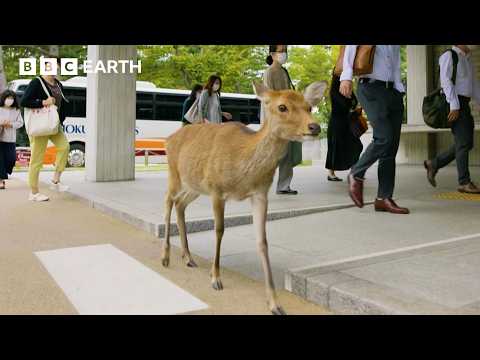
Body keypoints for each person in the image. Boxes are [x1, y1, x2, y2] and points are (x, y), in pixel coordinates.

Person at [340, 45, 409, 214]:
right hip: (370, 88)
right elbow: (350, 48)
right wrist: (346, 77)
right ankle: (356, 173)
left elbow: (396, 61)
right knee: (384, 137)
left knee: (390, 147)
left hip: (393, 92)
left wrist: (399, 87)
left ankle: (383, 198)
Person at [424, 45, 480, 194]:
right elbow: (446, 81)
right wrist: (454, 104)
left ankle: (434, 164)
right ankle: (464, 182)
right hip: (454, 103)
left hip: (464, 104)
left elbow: (473, 84)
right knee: (463, 144)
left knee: (466, 143)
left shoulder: (467, 59)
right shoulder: (449, 56)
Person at [21, 65, 70, 202]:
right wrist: (43, 102)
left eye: (57, 68)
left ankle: (55, 180)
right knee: (37, 160)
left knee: (65, 147)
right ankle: (34, 192)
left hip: (54, 124)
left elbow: (62, 103)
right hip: (40, 126)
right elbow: (24, 101)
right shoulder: (36, 82)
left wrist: (61, 119)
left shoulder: (58, 84)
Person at [263, 44, 302, 195]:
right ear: (272, 54)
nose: (284, 54)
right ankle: (259, 184)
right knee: (273, 154)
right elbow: (269, 97)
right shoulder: (269, 72)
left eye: (285, 51)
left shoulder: (284, 71)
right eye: (281, 51)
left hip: (288, 119)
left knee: (288, 153)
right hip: (277, 120)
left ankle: (284, 186)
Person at [325, 71, 363, 181]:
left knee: (356, 145)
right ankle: (331, 173)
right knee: (335, 147)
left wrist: (350, 96)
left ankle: (354, 171)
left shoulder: (347, 87)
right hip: (337, 123)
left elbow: (354, 102)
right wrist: (349, 98)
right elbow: (343, 104)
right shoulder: (334, 90)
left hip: (347, 122)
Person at [0, 90, 24, 189]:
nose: (9, 100)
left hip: (10, 139)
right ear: (3, 98)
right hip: (0, 138)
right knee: (0, 161)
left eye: (11, 98)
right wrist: (2, 123)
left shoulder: (16, 110)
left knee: (11, 159)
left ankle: (4, 173)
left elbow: (20, 123)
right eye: (8, 98)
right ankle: (1, 180)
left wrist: (10, 124)